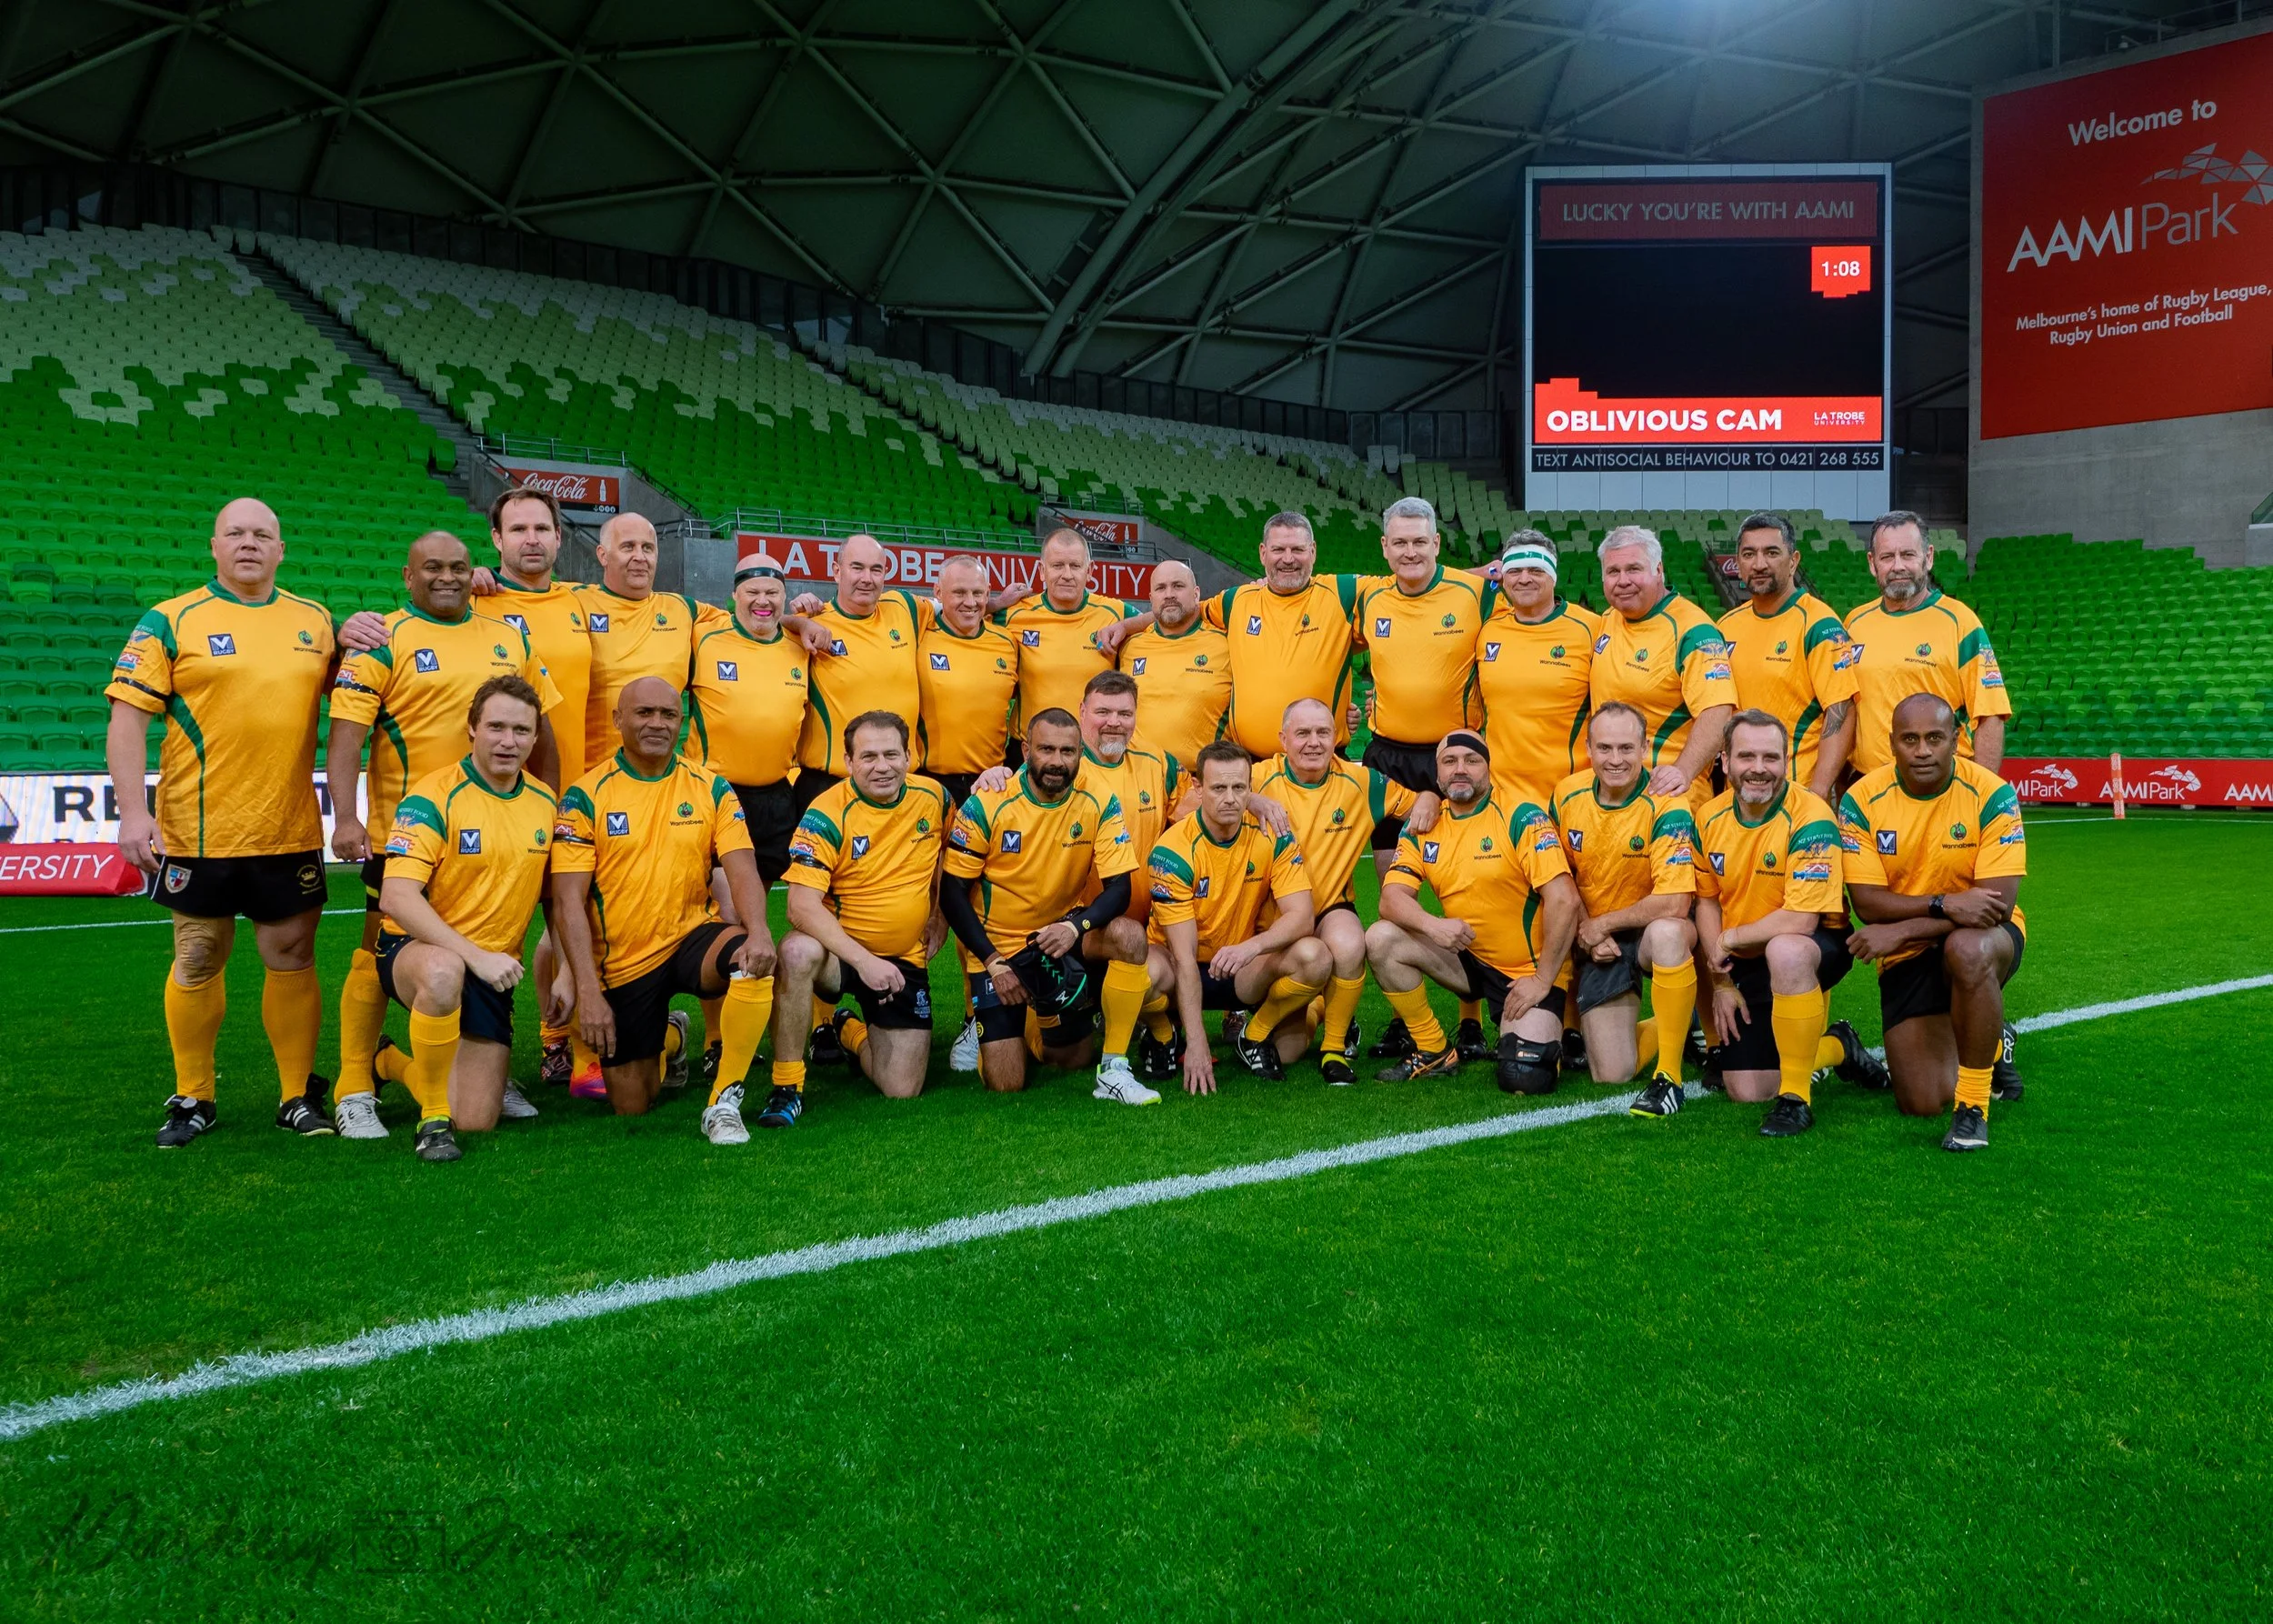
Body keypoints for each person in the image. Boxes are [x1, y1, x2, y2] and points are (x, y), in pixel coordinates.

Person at [107, 498, 340, 1148]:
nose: (249, 543)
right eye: (236, 533)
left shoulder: (315, 622)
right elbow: (126, 719)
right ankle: (194, 1097)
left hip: (287, 829)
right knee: (199, 956)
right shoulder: (171, 620)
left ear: (281, 549)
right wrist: (133, 810)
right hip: (196, 830)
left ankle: (296, 1095)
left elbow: (358, 689)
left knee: (291, 955)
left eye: (263, 534)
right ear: (214, 545)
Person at [325, 530, 562, 1138]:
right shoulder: (383, 639)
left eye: (459, 566)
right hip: (407, 828)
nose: (448, 577)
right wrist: (346, 817)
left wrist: (552, 806)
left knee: (475, 1108)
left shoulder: (508, 636)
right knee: (384, 947)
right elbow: (349, 734)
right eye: (433, 568)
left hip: (501, 821)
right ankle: (357, 1078)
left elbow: (545, 727)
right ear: (409, 576)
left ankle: (440, 1068)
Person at [549, 677, 777, 1140]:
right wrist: (588, 991)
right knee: (632, 1104)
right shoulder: (585, 796)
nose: (657, 723)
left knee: (752, 961)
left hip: (692, 936)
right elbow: (567, 901)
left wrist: (759, 931)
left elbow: (741, 867)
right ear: (618, 721)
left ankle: (723, 1100)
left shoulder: (711, 787)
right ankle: (670, 1037)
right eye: (644, 713)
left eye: (668, 715)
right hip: (624, 960)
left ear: (682, 723)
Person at [373, 677, 564, 1162]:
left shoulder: (544, 803)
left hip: (492, 973)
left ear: (535, 738)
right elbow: (396, 897)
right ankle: (432, 1119)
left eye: (521, 730)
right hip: (414, 953)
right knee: (443, 973)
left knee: (477, 1119)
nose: (508, 741)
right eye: (496, 726)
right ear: (472, 729)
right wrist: (475, 956)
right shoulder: (432, 796)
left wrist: (564, 968)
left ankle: (390, 1061)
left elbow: (555, 900)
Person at [940, 707, 1158, 1103]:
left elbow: (1119, 889)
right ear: (1026, 752)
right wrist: (992, 961)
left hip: (1060, 936)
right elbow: (952, 894)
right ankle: (1002, 1019)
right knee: (1005, 1082)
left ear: (1080, 752)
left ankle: (1113, 1069)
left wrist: (1075, 928)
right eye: (1046, 750)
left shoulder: (1099, 798)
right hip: (1000, 951)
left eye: (1067, 751)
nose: (1057, 762)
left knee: (1128, 938)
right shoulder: (988, 802)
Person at [1676, 710, 1878, 1135]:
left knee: (1785, 949)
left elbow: (1802, 920)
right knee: (1748, 1089)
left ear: (1786, 763)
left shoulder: (1812, 817)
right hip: (1745, 953)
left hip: (1812, 946)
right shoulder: (1708, 818)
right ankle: (1839, 1046)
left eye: (1771, 757)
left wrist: (1729, 940)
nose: (1759, 769)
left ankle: (1796, 1098)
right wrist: (1722, 980)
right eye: (1746, 756)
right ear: (1725, 762)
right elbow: (1708, 902)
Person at [1840, 694, 2028, 1152]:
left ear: (1955, 740)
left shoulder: (1993, 793)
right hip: (1912, 951)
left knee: (1968, 950)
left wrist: (1902, 929)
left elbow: (1994, 909)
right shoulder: (1861, 800)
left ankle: (1973, 1108)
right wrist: (1946, 905)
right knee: (1921, 1101)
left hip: (1983, 939)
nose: (1922, 750)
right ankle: (1989, 1034)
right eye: (1910, 739)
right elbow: (1868, 904)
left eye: (1934, 738)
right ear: (1892, 745)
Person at [1363, 731, 1579, 1093]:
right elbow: (1390, 900)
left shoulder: (1521, 815)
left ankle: (1574, 1030)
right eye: (1450, 761)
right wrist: (1433, 926)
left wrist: (1542, 980)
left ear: (1489, 769)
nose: (1460, 769)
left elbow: (1565, 900)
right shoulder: (1422, 827)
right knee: (1381, 938)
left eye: (1471, 760)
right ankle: (1433, 1048)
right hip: (1468, 958)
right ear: (1437, 774)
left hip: (1527, 972)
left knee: (1525, 1078)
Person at [1249, 697, 1441, 1085]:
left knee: (1351, 943)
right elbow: (1201, 797)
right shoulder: (1256, 778)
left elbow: (1418, 798)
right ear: (1282, 739)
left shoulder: (1362, 781)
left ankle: (1334, 1048)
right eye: (1302, 733)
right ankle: (1313, 1008)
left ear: (1336, 736)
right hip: (1266, 921)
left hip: (1329, 909)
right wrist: (1249, 799)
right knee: (1287, 1051)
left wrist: (1431, 798)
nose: (1314, 742)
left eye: (1323, 732)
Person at [772, 712, 952, 1120]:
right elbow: (799, 906)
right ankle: (786, 1086)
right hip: (842, 957)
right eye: (868, 756)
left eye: (892, 754)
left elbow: (949, 855)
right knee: (797, 952)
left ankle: (849, 1030)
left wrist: (938, 915)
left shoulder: (935, 798)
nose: (882, 766)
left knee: (902, 1090)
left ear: (910, 756)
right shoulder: (825, 813)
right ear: (849, 763)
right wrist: (865, 962)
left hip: (905, 958)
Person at [1098, 510, 1358, 758]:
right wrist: (1127, 626)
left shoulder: (1345, 594)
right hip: (1252, 763)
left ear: (1313, 551)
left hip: (1320, 757)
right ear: (1263, 553)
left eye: (1297, 549)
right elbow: (1180, 611)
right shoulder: (1237, 602)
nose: (1287, 559)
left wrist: (1377, 705)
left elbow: (1393, 622)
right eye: (1279, 550)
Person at [1145, 741, 1327, 1090]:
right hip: (1178, 967)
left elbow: (1302, 917)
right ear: (1198, 788)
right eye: (1218, 788)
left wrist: (1250, 949)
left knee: (1315, 957)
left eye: (1239, 788)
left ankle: (1254, 1034)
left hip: (1241, 967)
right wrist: (1198, 1044)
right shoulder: (1173, 851)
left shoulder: (1272, 835)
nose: (1229, 798)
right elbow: (1184, 959)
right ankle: (1165, 1034)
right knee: (1141, 972)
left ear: (1250, 790)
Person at [1548, 703, 1698, 1088]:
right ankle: (1674, 1019)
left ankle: (1670, 1070)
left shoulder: (1669, 804)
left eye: (1626, 749)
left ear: (1645, 747)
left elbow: (1675, 902)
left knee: (1669, 933)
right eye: (1605, 748)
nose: (1616, 760)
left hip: (1648, 932)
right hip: (1599, 939)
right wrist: (1587, 929)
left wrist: (1602, 925)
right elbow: (1559, 877)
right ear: (1589, 747)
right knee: (1612, 1074)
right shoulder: (1566, 795)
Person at [1845, 510, 2012, 776]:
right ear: (1872, 563)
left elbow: (1990, 715)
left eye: (1908, 555)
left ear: (1929, 557)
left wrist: (1982, 794)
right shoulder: (1854, 624)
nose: (1898, 566)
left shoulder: (1961, 623)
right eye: (1887, 557)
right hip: (1869, 790)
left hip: (1940, 788)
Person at [1589, 526, 1737, 813]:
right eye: (1613, 572)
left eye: (1634, 569)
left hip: (1666, 799)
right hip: (1612, 793)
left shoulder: (1694, 631)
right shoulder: (1608, 619)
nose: (1622, 581)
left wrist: (1682, 771)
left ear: (1658, 569)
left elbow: (1718, 712)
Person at [1716, 513, 1860, 800]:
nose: (1759, 564)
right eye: (1749, 554)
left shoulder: (1820, 626)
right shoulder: (1725, 627)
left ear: (1793, 560)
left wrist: (1818, 792)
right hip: (1735, 797)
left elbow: (1842, 715)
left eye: (1771, 553)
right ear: (1738, 563)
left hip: (1794, 794)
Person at [687, 556, 810, 889]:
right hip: (719, 794)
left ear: (784, 597)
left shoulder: (801, 646)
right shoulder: (703, 636)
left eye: (772, 592)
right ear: (734, 595)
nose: (763, 601)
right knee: (729, 910)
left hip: (776, 796)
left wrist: (803, 622)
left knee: (761, 891)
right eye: (752, 591)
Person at [786, 534, 928, 810]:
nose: (867, 578)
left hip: (903, 783)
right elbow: (758, 623)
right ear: (836, 571)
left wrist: (995, 603)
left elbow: (960, 607)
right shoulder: (812, 623)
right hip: (830, 786)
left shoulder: (905, 607)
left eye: (876, 569)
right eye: (857, 567)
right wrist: (792, 620)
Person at [1473, 532, 1601, 808]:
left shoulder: (1591, 628)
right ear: (1502, 577)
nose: (1524, 578)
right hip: (1500, 799)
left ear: (1553, 575)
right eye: (1515, 570)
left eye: (1536, 570)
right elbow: (1433, 591)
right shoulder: (1487, 627)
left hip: (1569, 797)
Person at [994, 527, 1136, 731]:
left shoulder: (1115, 613)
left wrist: (1125, 625)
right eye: (1058, 566)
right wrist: (995, 603)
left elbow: (1160, 619)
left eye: (1075, 566)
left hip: (1089, 752)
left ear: (1090, 570)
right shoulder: (1013, 615)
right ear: (1042, 570)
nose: (1067, 575)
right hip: (1029, 750)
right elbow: (963, 613)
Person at [916, 553, 1021, 808]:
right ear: (938, 592)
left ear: (987, 593)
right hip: (930, 782)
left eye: (977, 593)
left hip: (992, 782)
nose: (970, 602)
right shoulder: (919, 634)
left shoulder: (1008, 642)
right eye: (959, 593)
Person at [1117, 558, 1230, 766]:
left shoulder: (1226, 643)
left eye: (1178, 586)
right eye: (1161, 588)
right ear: (1151, 598)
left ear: (1196, 593)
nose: (1169, 594)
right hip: (1142, 778)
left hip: (1203, 781)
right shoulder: (1129, 647)